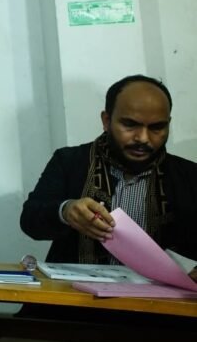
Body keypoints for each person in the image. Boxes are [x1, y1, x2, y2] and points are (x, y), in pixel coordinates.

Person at [20, 75, 197, 275]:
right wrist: (66, 210)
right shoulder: (70, 161)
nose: (143, 138)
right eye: (130, 125)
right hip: (74, 298)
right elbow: (30, 221)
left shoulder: (189, 177)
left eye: (157, 127)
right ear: (106, 120)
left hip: (160, 303)